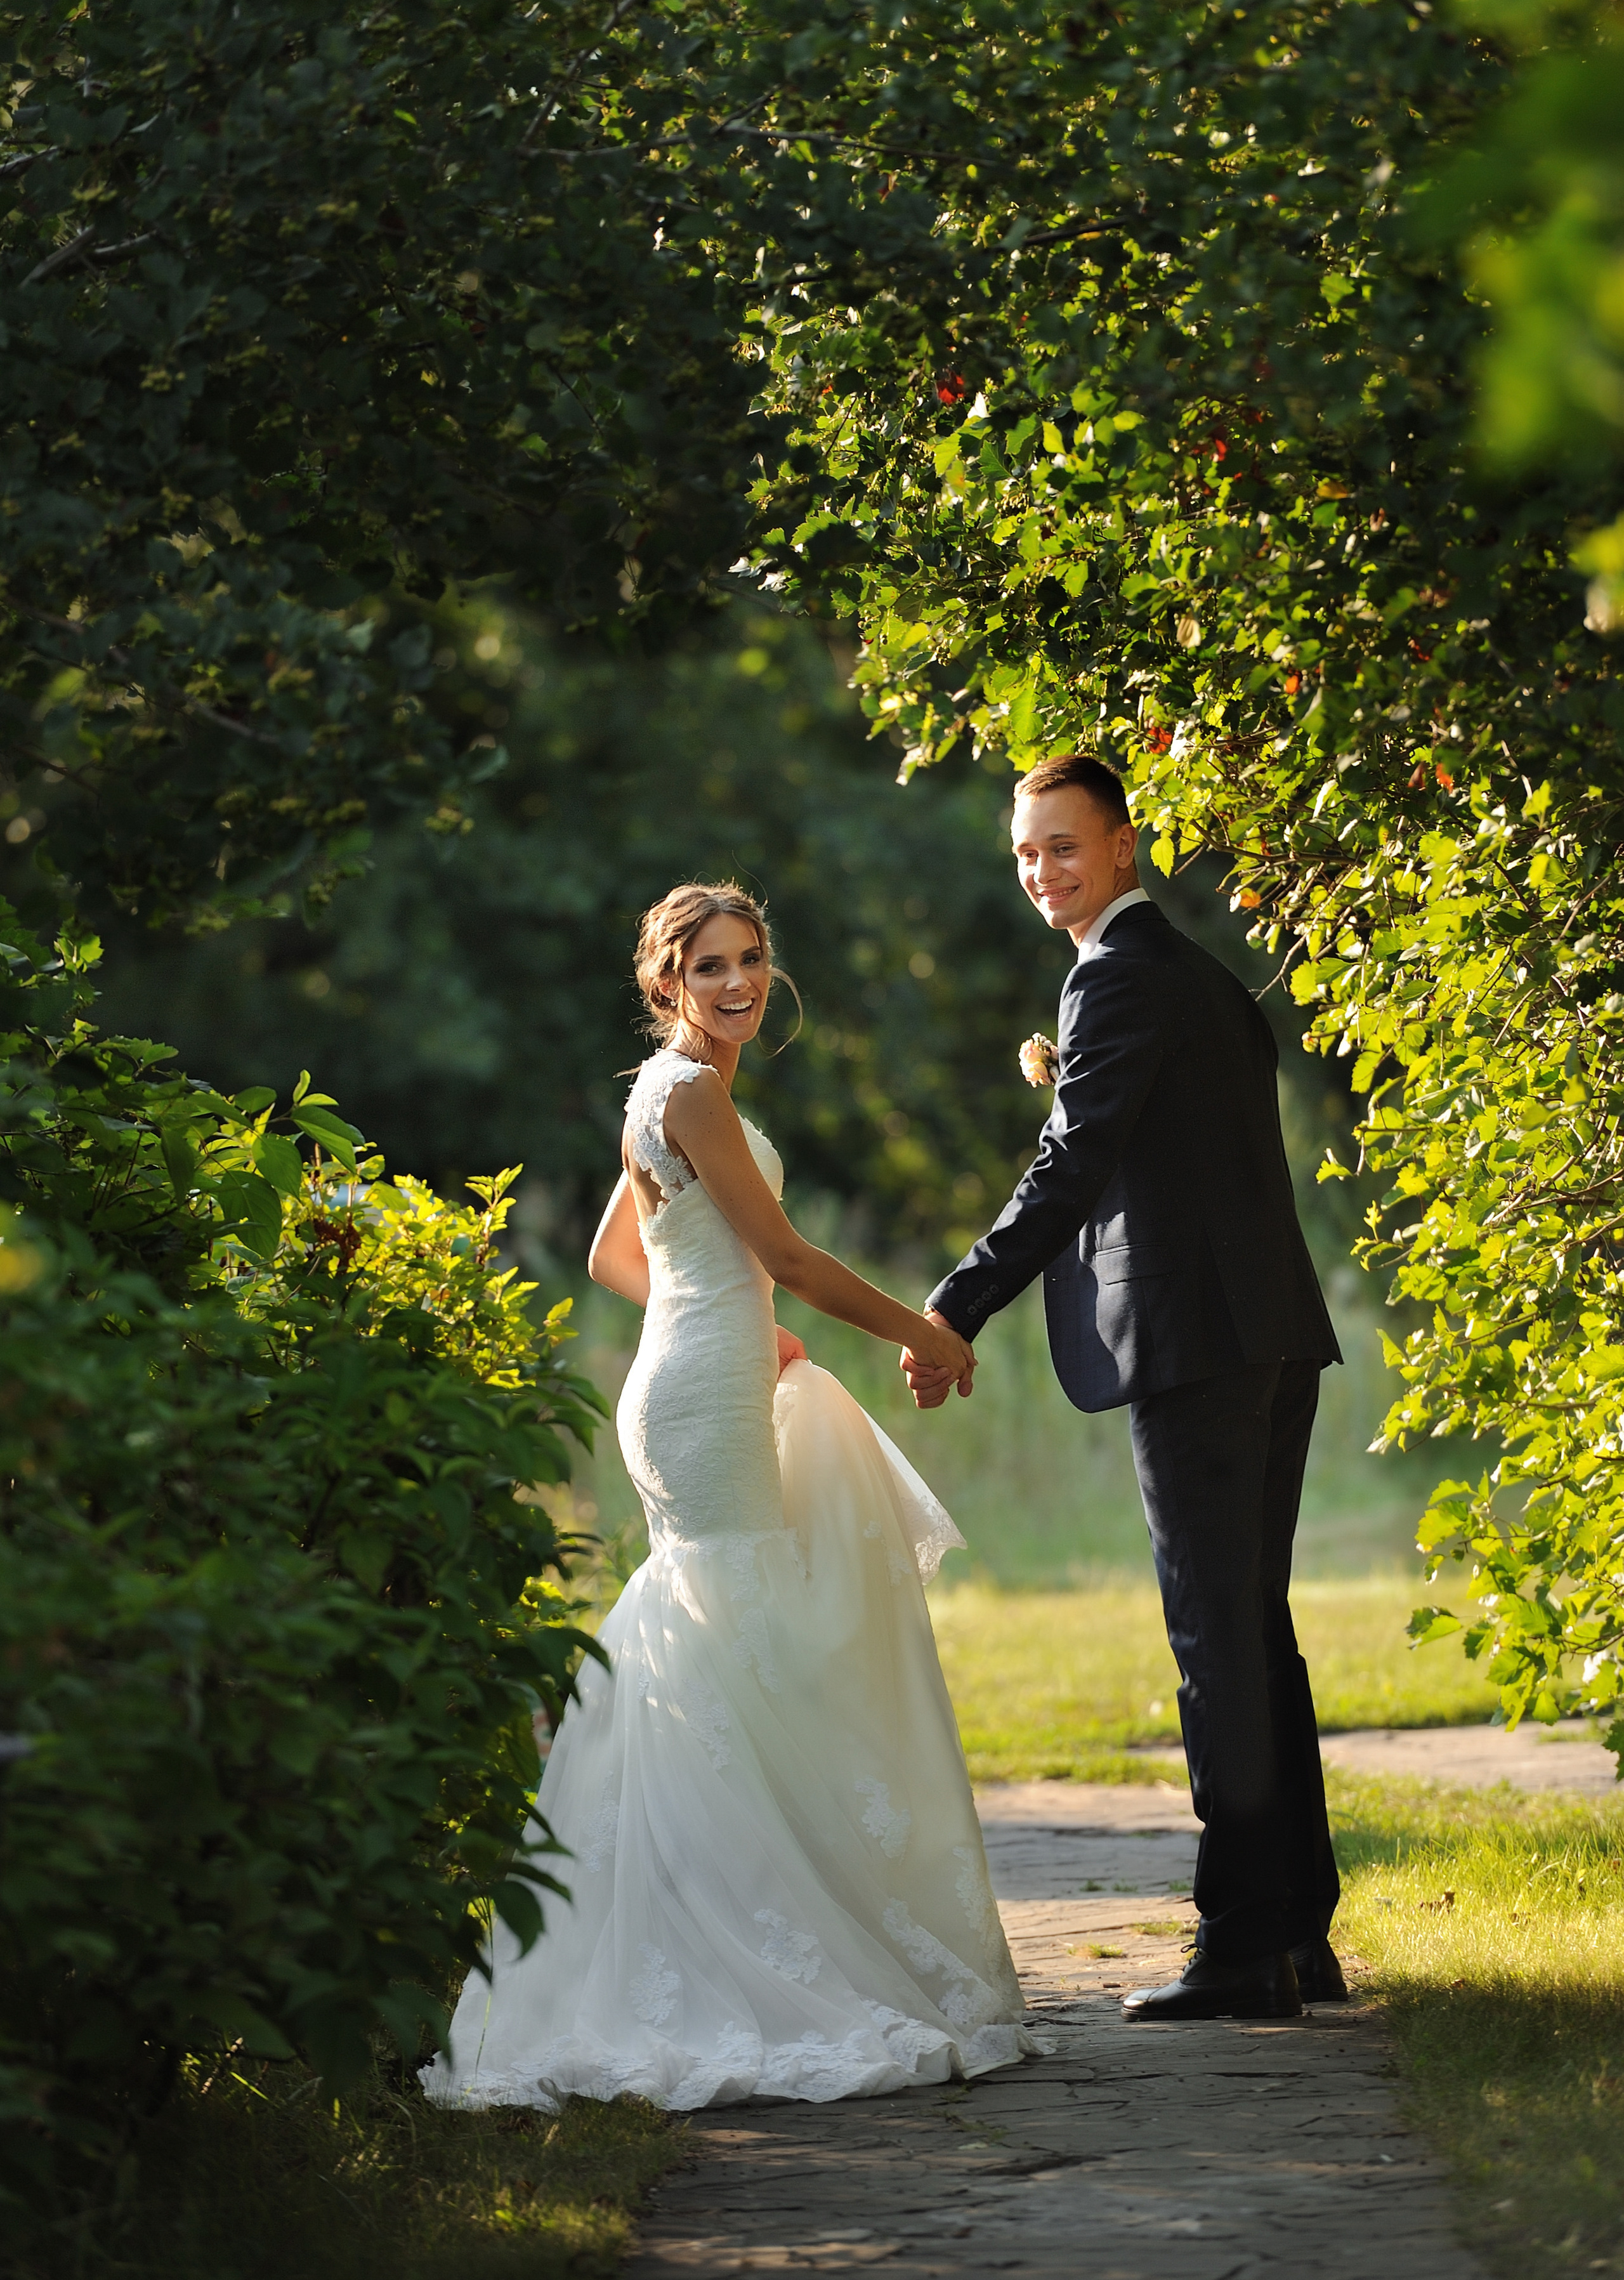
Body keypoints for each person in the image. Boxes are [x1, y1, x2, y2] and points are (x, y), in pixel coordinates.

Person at [424, 881, 1036, 2111]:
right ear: (666, 984)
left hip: (690, 1382)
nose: (737, 983)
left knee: (720, 1649)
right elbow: (790, 1258)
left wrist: (731, 1326)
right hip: (699, 1407)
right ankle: (738, 1946)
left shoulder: (664, 1095)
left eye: (749, 959)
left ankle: (712, 1917)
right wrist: (923, 1330)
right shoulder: (691, 1092)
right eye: (709, 966)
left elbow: (617, 1255)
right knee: (744, 1643)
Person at [903, 756, 1344, 2023]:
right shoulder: (1197, 976)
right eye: (1025, 852)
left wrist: (951, 1304)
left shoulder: (1120, 979)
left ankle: (1238, 1943)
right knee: (1254, 1633)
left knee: (1216, 1640)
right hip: (1262, 1336)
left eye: (1062, 846)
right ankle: (1295, 1931)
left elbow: (1069, 1166)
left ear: (1122, 844)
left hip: (1197, 1346)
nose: (1041, 870)